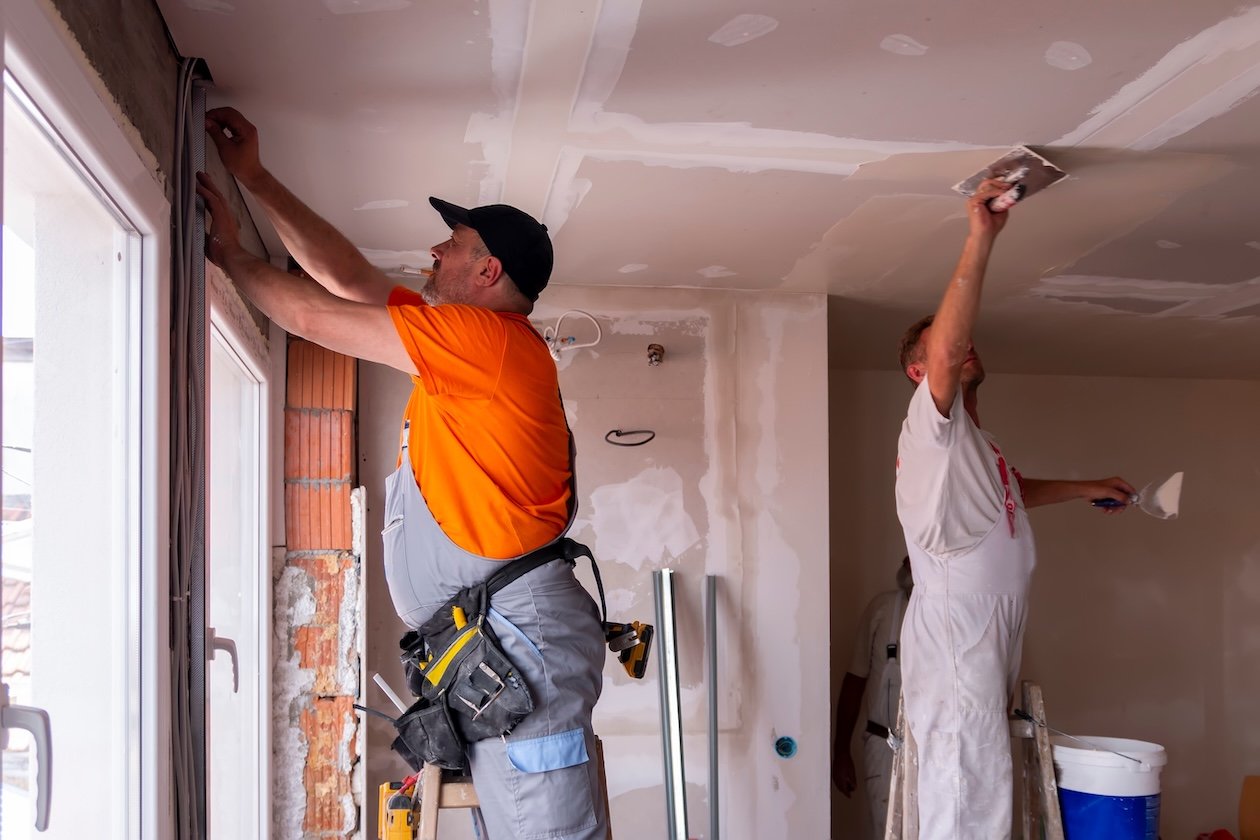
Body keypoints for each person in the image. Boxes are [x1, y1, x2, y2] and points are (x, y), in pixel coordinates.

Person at [197, 107, 607, 840]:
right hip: (489, 641)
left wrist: (231, 257)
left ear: (489, 271)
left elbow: (317, 318)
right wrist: (255, 178)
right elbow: (345, 277)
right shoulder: (462, 349)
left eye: (453, 244)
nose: (434, 250)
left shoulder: (485, 343)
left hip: (519, 639)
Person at [894, 179, 1134, 840]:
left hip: (986, 624)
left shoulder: (975, 445)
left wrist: (1092, 486)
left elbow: (1013, 495)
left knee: (981, 778)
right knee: (966, 787)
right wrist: (982, 235)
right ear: (922, 376)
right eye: (943, 349)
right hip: (956, 626)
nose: (962, 348)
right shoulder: (929, 428)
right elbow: (946, 348)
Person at [834, 557, 913, 839]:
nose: (909, 563)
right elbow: (855, 681)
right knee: (887, 832)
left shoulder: (951, 613)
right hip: (884, 748)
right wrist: (841, 751)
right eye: (908, 560)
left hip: (936, 751)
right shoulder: (883, 609)